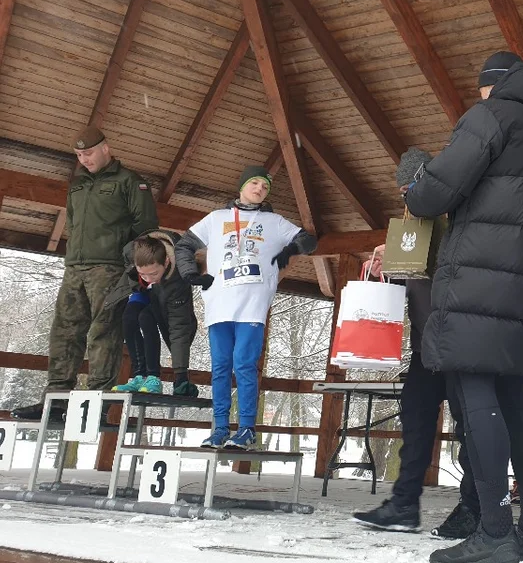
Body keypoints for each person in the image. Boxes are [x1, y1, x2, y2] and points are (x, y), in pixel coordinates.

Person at [404, 51, 523, 563]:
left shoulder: (491, 116)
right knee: (513, 399)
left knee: (476, 395)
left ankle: (494, 532)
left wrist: (415, 178)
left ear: (490, 86)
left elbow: (433, 194)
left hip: (478, 277)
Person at [352, 148, 480, 539]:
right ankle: (404, 505)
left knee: (471, 430)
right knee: (415, 421)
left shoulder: (459, 218)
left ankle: (474, 507)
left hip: (461, 344)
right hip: (426, 348)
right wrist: (387, 267)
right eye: (403, 191)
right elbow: (413, 283)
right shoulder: (411, 228)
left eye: (413, 187)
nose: (407, 196)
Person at [13, 126, 158, 422]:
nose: (84, 159)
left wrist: (129, 264)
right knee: (64, 331)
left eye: (88, 152)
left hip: (110, 268)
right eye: (79, 154)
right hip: (74, 267)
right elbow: (74, 223)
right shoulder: (78, 185)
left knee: (103, 331)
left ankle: (95, 405)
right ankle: (56, 401)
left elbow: (146, 227)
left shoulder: (130, 181)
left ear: (106, 148)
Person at [174, 166, 317, 450]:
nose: (260, 189)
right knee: (220, 367)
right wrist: (191, 274)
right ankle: (220, 429)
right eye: (254, 183)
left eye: (265, 186)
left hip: (252, 304)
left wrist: (291, 249)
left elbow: (309, 240)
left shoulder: (273, 221)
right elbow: (184, 245)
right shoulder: (217, 219)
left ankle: (247, 428)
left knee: (244, 364)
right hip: (219, 303)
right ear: (241, 186)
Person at [104, 231, 199, 398]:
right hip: (146, 292)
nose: (148, 278)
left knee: (146, 318)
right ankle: (139, 376)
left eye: (153, 273)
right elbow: (135, 271)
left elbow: (179, 329)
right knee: (128, 318)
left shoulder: (179, 279)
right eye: (143, 274)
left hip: (166, 296)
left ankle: (153, 376)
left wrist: (181, 375)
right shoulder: (131, 253)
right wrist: (139, 280)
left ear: (167, 261)